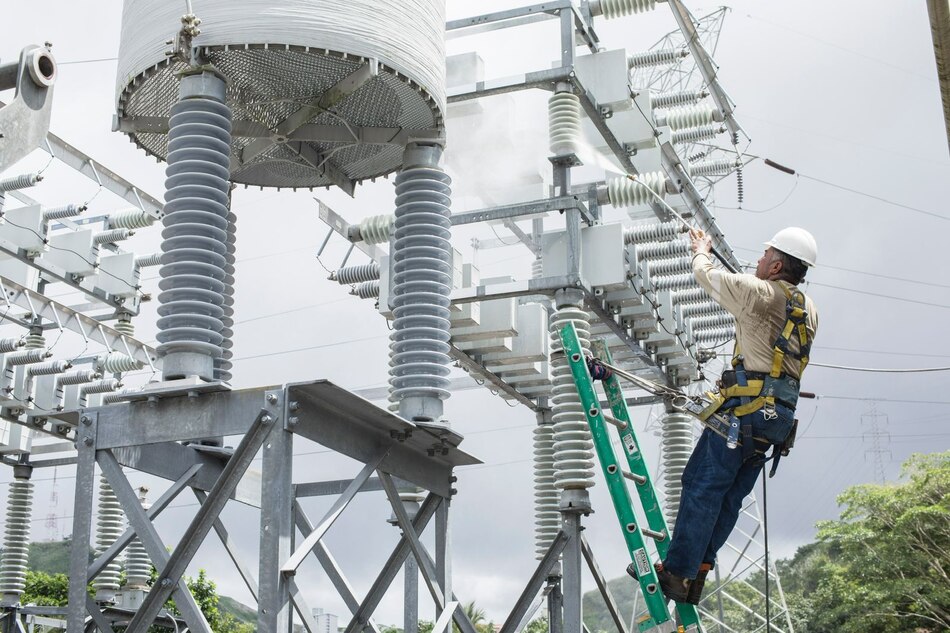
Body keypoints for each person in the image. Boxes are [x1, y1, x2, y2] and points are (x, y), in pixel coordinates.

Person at [652, 226, 819, 605]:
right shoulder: (808, 308)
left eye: (765, 256)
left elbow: (704, 274)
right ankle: (697, 573)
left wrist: (701, 248)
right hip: (776, 421)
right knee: (728, 498)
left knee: (701, 485)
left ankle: (677, 572)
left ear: (776, 266)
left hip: (745, 413)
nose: (758, 260)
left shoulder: (759, 292)